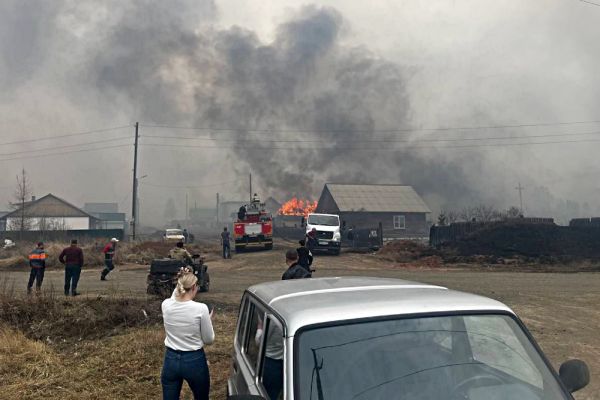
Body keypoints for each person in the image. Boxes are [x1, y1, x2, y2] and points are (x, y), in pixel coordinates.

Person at [161, 267, 215, 400]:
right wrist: (208, 320)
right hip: (194, 360)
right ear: (194, 287)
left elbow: (176, 294)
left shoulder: (166, 304)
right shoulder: (200, 308)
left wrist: (183, 276)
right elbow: (209, 340)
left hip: (171, 359)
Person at [255, 318, 284, 400]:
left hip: (269, 363)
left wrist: (259, 328)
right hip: (284, 362)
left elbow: (259, 342)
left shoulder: (274, 320)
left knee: (265, 394)